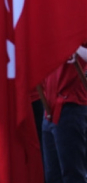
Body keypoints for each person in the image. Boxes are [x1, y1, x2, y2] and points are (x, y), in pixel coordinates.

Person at [41, 42, 87, 183]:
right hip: (49, 107)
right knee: (52, 176)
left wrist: (75, 48)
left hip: (71, 106)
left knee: (72, 175)